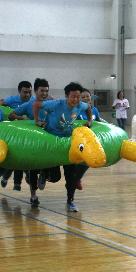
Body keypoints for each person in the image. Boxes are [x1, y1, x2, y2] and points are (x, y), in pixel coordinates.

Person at [33, 82, 92, 212]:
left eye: (78, 97)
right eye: (73, 97)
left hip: (67, 143)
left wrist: (89, 120)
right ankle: (44, 172)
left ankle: (70, 201)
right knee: (55, 178)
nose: (76, 100)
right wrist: (37, 121)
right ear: (66, 96)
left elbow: (88, 107)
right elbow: (36, 105)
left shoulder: (80, 105)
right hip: (53, 142)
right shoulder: (56, 104)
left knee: (71, 176)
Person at [9, 78, 56, 203]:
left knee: (55, 176)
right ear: (35, 91)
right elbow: (11, 115)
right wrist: (22, 118)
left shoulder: (52, 105)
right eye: (42, 90)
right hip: (33, 144)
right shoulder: (28, 105)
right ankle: (33, 195)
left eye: (46, 91)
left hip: (49, 143)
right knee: (32, 170)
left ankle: (44, 174)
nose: (44, 93)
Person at [0, 81, 34, 192]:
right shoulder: (12, 100)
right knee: (15, 158)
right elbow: (0, 103)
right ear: (19, 92)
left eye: (29, 92)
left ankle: (18, 181)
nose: (27, 94)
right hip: (14, 135)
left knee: (22, 159)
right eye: (25, 92)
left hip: (28, 135)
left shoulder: (33, 101)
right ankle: (8, 177)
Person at [75, 88, 103, 190]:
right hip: (79, 140)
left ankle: (77, 178)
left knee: (87, 161)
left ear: (91, 98)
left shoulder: (94, 110)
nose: (86, 98)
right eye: (83, 97)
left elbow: (99, 121)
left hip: (91, 140)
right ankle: (74, 179)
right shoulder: (76, 110)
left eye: (87, 96)